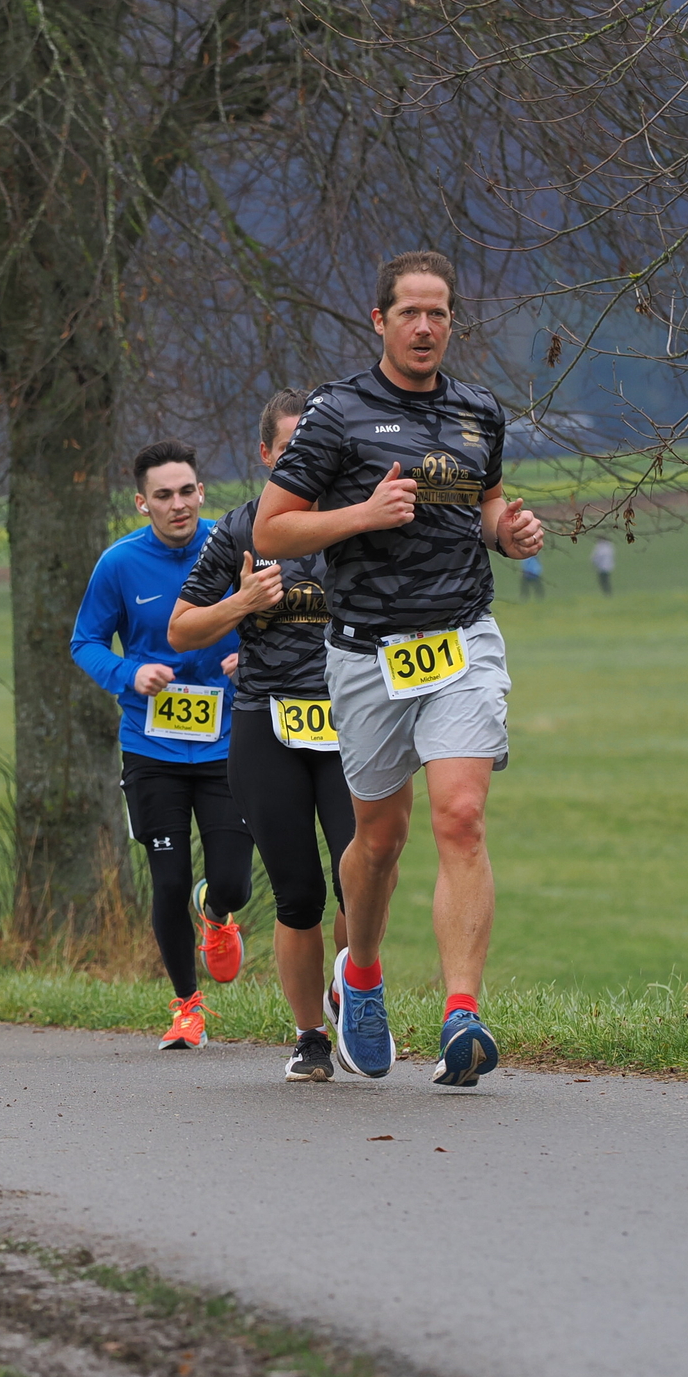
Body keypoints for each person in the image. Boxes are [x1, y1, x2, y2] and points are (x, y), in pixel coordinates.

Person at [252, 249, 545, 1084]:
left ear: (453, 322)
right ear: (379, 321)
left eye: (438, 313)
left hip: (461, 639)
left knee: (462, 816)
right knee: (379, 841)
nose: (425, 327)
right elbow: (273, 529)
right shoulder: (336, 413)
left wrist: (506, 531)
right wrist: (362, 514)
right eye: (409, 313)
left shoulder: (479, 411)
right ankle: (363, 974)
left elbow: (484, 500)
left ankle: (462, 1015)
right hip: (367, 652)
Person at [168, 392, 353, 1082]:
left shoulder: (357, 524)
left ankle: (354, 991)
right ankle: (310, 1037)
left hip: (352, 721)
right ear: (267, 455)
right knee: (299, 893)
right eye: (292, 449)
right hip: (266, 722)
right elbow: (181, 629)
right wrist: (243, 602)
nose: (307, 461)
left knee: (361, 880)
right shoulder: (242, 530)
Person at [72, 439, 252, 1051]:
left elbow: (274, 619)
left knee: (233, 881)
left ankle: (218, 914)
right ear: (142, 503)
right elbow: (85, 642)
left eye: (187, 491)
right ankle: (187, 1007)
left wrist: (249, 661)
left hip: (229, 741)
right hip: (152, 750)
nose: (178, 505)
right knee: (168, 880)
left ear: (202, 491)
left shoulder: (233, 547)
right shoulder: (119, 564)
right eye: (164, 495)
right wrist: (130, 674)